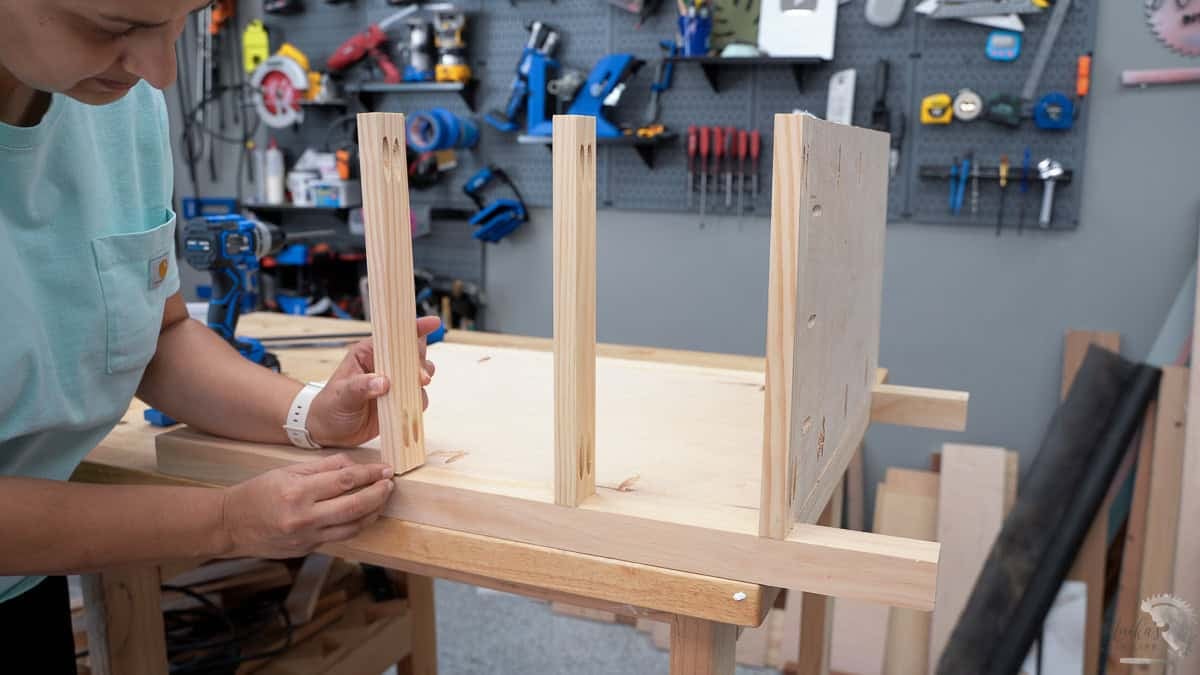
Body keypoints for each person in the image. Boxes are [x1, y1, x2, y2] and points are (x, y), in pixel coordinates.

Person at [0, 1, 439, 669]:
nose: (161, 72)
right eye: (115, 28)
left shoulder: (117, 99)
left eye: (183, 19)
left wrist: (308, 412)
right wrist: (227, 521)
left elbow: (159, 334)